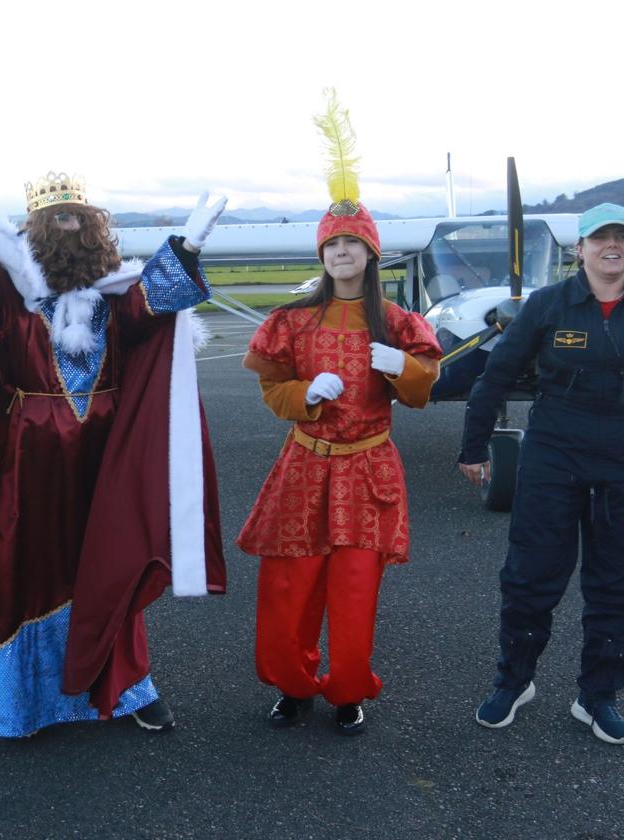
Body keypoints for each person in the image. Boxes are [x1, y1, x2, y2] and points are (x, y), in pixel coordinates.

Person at [0, 168, 227, 738]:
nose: (66, 225)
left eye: (77, 217)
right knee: (28, 563)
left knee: (112, 558)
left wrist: (187, 245)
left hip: (107, 457)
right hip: (30, 460)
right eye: (55, 220)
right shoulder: (13, 298)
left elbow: (151, 305)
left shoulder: (113, 300)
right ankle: (22, 701)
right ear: (36, 232)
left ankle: (126, 687)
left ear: (95, 231)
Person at [237, 93, 443, 734]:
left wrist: (399, 366)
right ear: (322, 256)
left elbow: (422, 392)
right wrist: (304, 395)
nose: (342, 255)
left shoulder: (400, 323)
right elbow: (272, 391)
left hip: (367, 469)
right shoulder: (291, 322)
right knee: (290, 587)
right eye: (333, 246)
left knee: (355, 591)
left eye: (354, 245)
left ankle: (347, 689)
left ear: (371, 255)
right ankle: (293, 686)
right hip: (305, 465)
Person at [460, 202, 624, 746]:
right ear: (578, 249)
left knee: (617, 586)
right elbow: (497, 375)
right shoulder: (547, 305)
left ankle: (597, 696)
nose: (614, 247)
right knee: (531, 578)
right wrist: (474, 445)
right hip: (554, 459)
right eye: (601, 238)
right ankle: (513, 682)